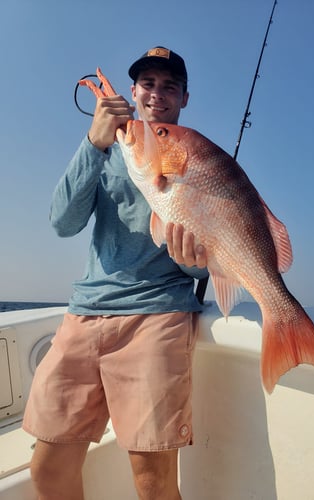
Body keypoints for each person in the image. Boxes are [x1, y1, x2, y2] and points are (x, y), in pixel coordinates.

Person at [23, 46, 209, 500]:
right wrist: (94, 142)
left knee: (152, 479)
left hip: (158, 315)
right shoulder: (105, 147)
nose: (157, 94)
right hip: (85, 313)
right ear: (133, 91)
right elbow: (62, 222)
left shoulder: (192, 158)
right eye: (148, 83)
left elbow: (191, 263)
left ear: (185, 98)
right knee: (46, 467)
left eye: (170, 86)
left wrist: (195, 257)